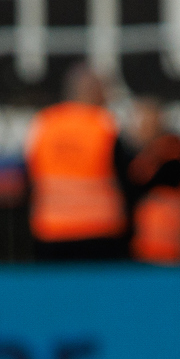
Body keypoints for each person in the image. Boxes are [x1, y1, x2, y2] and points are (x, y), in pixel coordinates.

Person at [23, 63, 133, 261]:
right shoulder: (105, 124)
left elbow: (28, 177)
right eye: (104, 90)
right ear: (91, 91)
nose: (108, 97)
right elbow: (127, 179)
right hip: (100, 231)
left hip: (51, 231)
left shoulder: (44, 123)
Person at [126, 98, 180, 265]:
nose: (144, 125)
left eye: (149, 118)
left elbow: (151, 177)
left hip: (169, 237)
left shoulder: (172, 145)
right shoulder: (137, 151)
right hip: (142, 241)